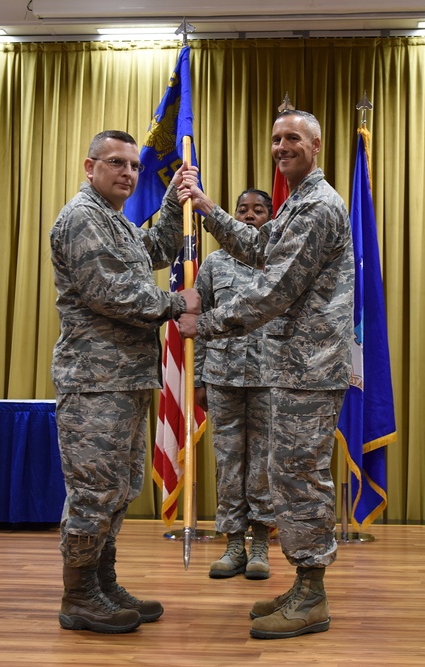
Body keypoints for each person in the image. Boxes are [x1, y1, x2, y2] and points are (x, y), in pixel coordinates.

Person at [177, 109, 354, 639]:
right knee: (290, 477)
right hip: (293, 366)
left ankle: (313, 595)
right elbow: (258, 248)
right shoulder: (298, 203)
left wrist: (203, 323)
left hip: (310, 367)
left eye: (293, 137)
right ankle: (304, 584)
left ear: (317, 145)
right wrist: (208, 208)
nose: (282, 146)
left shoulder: (320, 205)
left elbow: (274, 290)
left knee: (301, 479)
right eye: (276, 138)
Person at [49, 129, 201, 635]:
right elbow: (111, 293)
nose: (129, 174)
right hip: (95, 381)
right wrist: (179, 304)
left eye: (135, 167)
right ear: (89, 167)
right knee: (95, 490)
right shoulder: (81, 219)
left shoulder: (115, 222)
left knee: (118, 488)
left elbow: (155, 249)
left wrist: (177, 197)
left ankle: (103, 582)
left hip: (127, 378)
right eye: (117, 163)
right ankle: (79, 595)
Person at [193, 189, 277, 581]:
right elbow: (199, 323)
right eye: (242, 209)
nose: (248, 215)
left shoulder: (277, 261)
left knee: (262, 463)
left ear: (270, 216)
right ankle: (232, 544)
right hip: (222, 377)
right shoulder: (213, 264)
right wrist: (197, 379)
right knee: (228, 461)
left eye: (258, 210)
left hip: (269, 377)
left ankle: (260, 542)